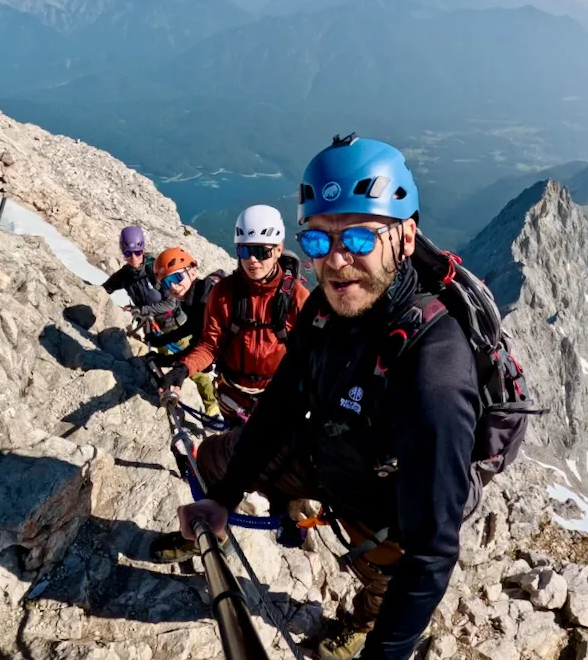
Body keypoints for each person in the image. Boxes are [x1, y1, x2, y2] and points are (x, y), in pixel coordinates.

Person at [149, 135, 484, 660]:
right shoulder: (325, 311)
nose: (337, 261)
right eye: (319, 241)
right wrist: (224, 498)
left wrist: (387, 654)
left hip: (387, 497)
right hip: (325, 448)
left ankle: (358, 627)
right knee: (215, 456)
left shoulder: (433, 370)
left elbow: (432, 551)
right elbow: (281, 405)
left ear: (406, 236)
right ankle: (273, 512)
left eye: (359, 238)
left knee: (382, 578)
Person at [158, 204, 310, 426]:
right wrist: (183, 368)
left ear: (278, 249)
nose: (252, 260)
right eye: (244, 251)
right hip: (232, 395)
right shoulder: (223, 293)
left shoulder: (296, 297)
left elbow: (311, 355)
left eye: (260, 251)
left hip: (276, 396)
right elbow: (210, 345)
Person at [147, 246, 223, 418]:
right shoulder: (197, 295)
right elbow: (191, 328)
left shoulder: (205, 302)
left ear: (193, 271)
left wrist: (169, 360)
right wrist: (162, 341)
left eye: (177, 277)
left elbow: (201, 346)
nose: (174, 286)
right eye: (167, 282)